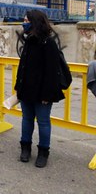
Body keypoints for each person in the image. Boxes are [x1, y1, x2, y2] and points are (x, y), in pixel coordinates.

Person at [15, 10, 65, 168]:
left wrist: (47, 94)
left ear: (35, 22)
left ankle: (43, 152)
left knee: (43, 122)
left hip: (43, 92)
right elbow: (22, 67)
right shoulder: (29, 40)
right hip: (26, 90)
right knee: (26, 119)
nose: (24, 23)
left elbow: (52, 72)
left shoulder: (48, 42)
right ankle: (25, 148)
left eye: (26, 20)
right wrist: (18, 86)